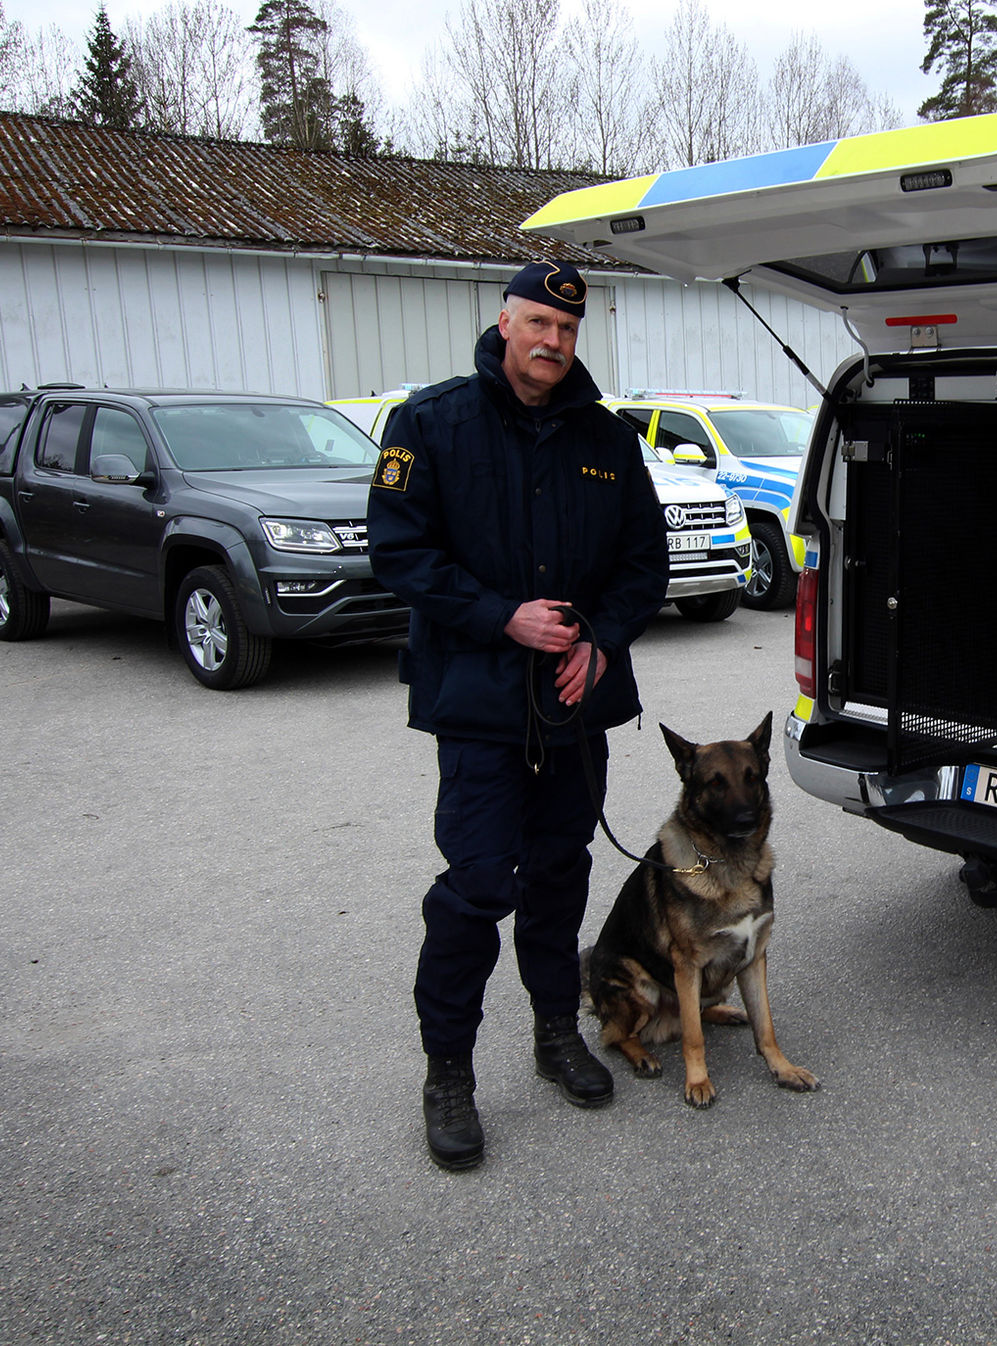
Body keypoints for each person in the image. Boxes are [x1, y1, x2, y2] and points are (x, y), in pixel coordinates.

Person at [368, 259, 669, 1170]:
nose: (551, 341)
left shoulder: (609, 443)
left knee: (558, 877)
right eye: (538, 321)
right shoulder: (430, 423)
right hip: (481, 707)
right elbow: (397, 551)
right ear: (505, 321)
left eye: (567, 330)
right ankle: (448, 1073)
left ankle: (553, 1033)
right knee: (473, 892)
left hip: (575, 710)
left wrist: (601, 639)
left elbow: (642, 565)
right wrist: (502, 615)